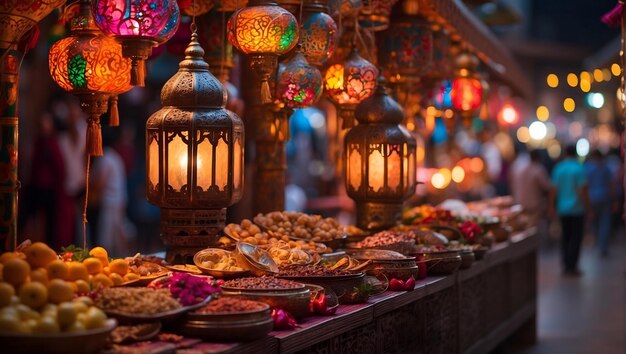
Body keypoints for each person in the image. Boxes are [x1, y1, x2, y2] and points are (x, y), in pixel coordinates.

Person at [551, 145, 589, 276]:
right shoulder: (579, 168)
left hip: (562, 209)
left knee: (565, 237)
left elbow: (553, 190)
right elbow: (582, 190)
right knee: (576, 238)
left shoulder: (559, 168)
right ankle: (573, 266)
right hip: (577, 209)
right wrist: (588, 207)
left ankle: (566, 265)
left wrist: (551, 207)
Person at [511, 149, 555, 232]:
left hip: (521, 204)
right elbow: (547, 187)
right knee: (534, 231)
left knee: (526, 230)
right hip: (534, 205)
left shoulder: (522, 169)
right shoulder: (538, 169)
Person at [584, 150, 613, 257]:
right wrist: (614, 199)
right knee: (604, 223)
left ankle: (598, 241)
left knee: (594, 222)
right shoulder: (606, 167)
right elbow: (610, 184)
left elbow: (585, 185)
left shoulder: (588, 168)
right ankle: (603, 245)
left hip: (592, 198)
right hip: (604, 197)